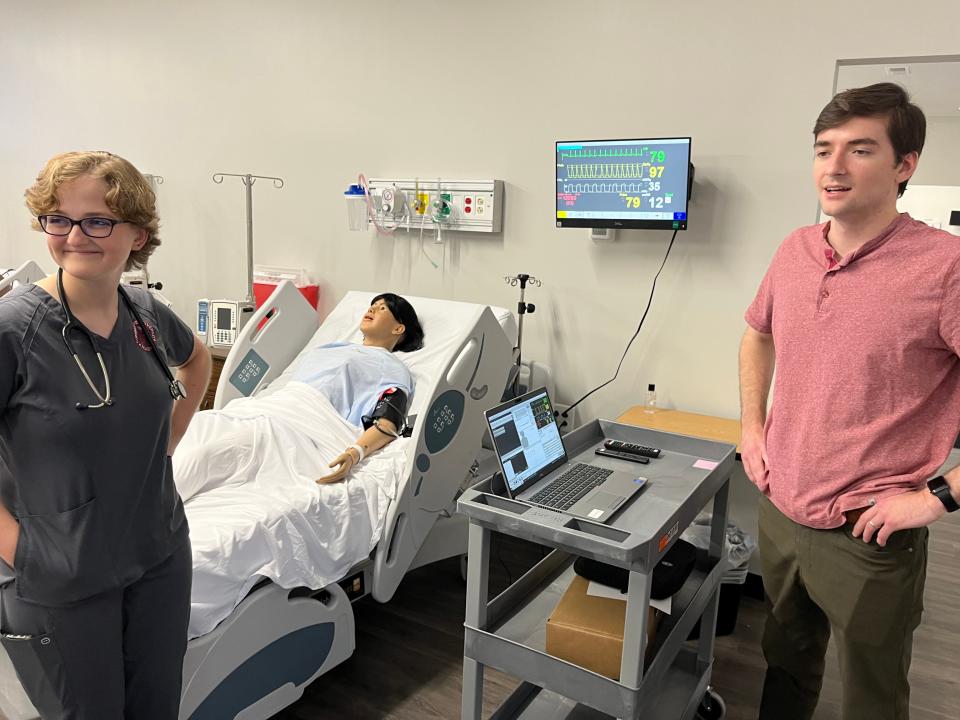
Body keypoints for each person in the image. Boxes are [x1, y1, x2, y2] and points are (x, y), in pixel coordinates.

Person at [740, 82, 960, 720]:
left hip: (868, 532)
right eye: (823, 149)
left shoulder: (944, 268)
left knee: (872, 695)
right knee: (785, 665)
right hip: (781, 509)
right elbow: (756, 334)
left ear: (904, 165)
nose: (833, 167)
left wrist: (938, 497)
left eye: (860, 150)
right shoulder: (795, 250)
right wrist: (753, 429)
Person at [0, 151, 211, 718]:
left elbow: (197, 364)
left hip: (159, 551)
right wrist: (20, 547)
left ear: (138, 233)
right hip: (65, 573)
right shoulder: (14, 329)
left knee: (156, 706)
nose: (75, 236)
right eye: (59, 219)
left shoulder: (144, 313)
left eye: (97, 220)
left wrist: (167, 441)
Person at [172, 292, 424, 501]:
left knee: (204, 455)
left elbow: (388, 421)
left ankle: (147, 512)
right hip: (269, 407)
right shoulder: (332, 347)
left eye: (382, 308)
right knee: (189, 433)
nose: (372, 309)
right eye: (372, 305)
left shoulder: (392, 367)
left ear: (398, 328)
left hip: (299, 426)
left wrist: (355, 452)